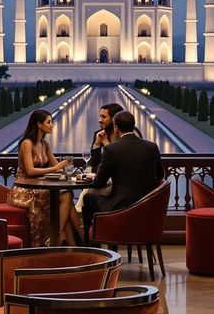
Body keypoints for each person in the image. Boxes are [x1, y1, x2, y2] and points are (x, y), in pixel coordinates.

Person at [8, 109, 84, 246]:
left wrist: (73, 172)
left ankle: (65, 240)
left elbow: (58, 166)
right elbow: (30, 171)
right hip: (24, 189)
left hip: (39, 186)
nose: (51, 125)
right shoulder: (27, 143)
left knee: (67, 197)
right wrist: (56, 168)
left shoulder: (44, 144)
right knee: (66, 198)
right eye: (49, 122)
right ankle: (73, 240)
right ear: (38, 124)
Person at [82, 111, 164, 236]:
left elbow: (98, 183)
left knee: (88, 198)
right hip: (147, 207)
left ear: (116, 128)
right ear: (133, 125)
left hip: (121, 207)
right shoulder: (152, 146)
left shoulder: (111, 149)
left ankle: (92, 242)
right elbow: (160, 176)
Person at [88, 103, 125, 170]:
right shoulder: (100, 134)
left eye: (103, 117)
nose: (100, 120)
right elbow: (94, 165)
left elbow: (120, 162)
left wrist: (105, 142)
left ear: (114, 119)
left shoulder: (128, 133)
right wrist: (97, 144)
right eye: (100, 116)